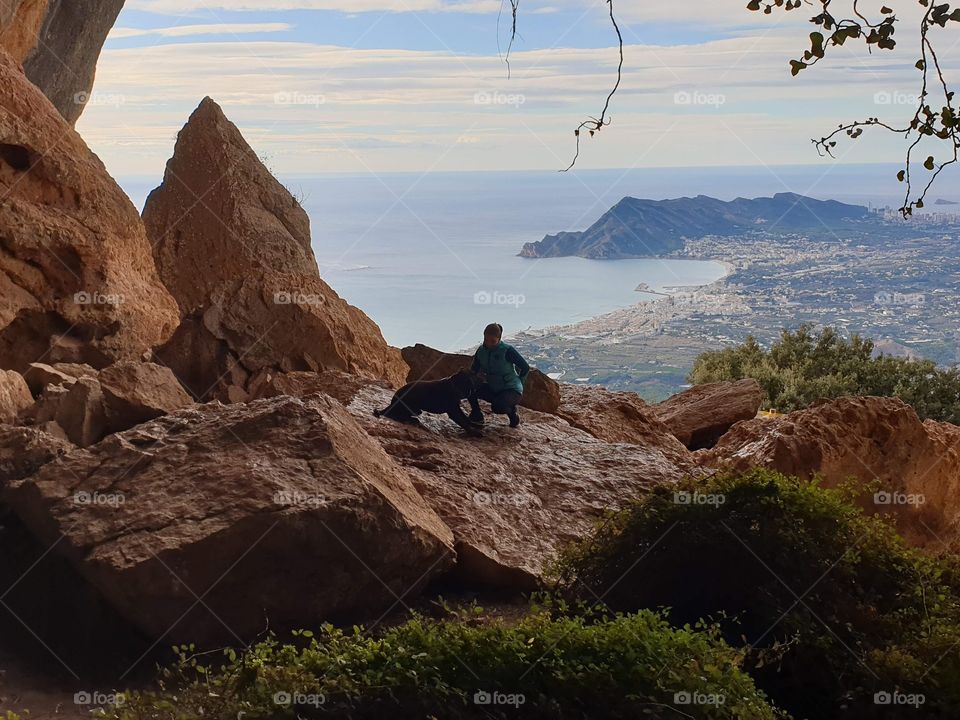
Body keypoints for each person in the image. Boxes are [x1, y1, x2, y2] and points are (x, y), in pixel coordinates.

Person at [468, 322, 530, 428]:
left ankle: (512, 413)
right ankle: (476, 415)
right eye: (486, 340)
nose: (489, 343)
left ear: (499, 339)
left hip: (511, 388)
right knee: (468, 388)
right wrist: (477, 376)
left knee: (498, 407)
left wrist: (520, 382)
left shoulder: (507, 350)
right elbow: (474, 368)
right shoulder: (481, 351)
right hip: (493, 386)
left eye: (493, 341)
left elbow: (525, 367)